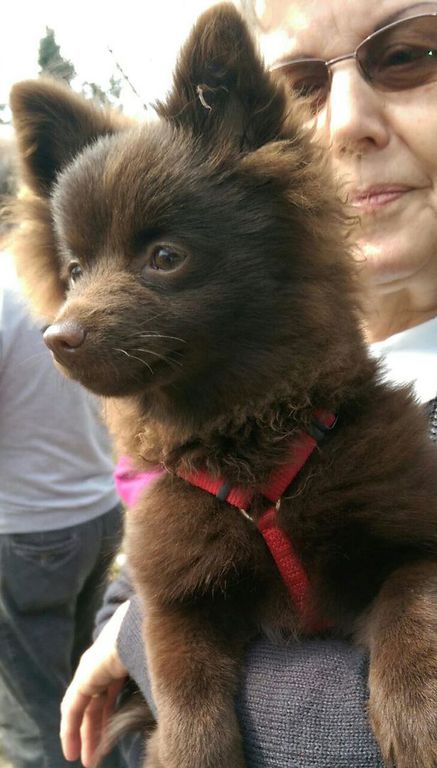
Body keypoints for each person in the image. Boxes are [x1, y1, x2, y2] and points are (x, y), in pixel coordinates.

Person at [60, 0, 437, 766]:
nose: (343, 124)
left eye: (406, 55)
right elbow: (134, 607)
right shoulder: (209, 400)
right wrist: (141, 633)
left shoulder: (363, 425)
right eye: (298, 85)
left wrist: (132, 646)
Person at [0, 251, 125, 768]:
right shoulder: (75, 275)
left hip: (26, 532)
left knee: (37, 717)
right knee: (93, 691)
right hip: (99, 512)